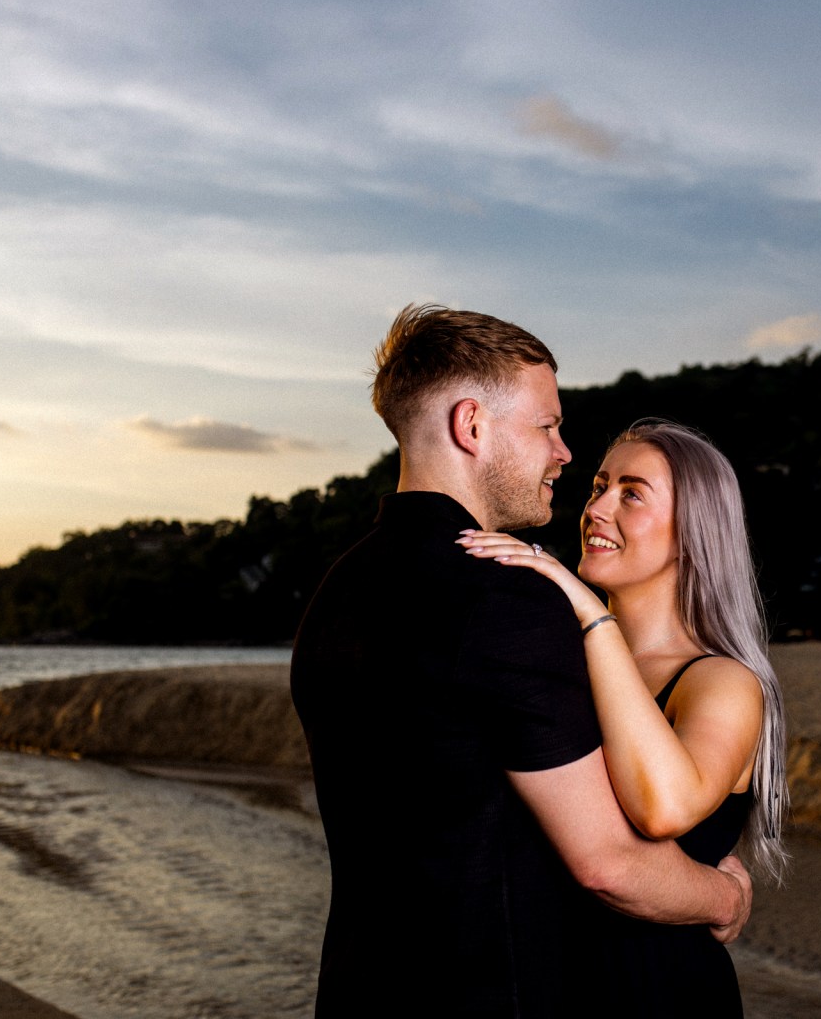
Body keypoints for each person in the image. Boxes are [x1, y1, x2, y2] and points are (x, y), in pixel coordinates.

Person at [291, 306, 752, 1018]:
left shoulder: (337, 590)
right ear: (472, 425)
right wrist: (724, 895)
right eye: (546, 426)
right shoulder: (507, 600)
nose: (564, 454)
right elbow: (607, 864)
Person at [458, 419, 788, 1016]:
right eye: (597, 487)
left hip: (659, 994)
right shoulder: (557, 661)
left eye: (631, 493)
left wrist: (589, 612)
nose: (598, 508)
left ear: (692, 534)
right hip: (543, 988)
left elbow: (663, 808)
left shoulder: (723, 681)